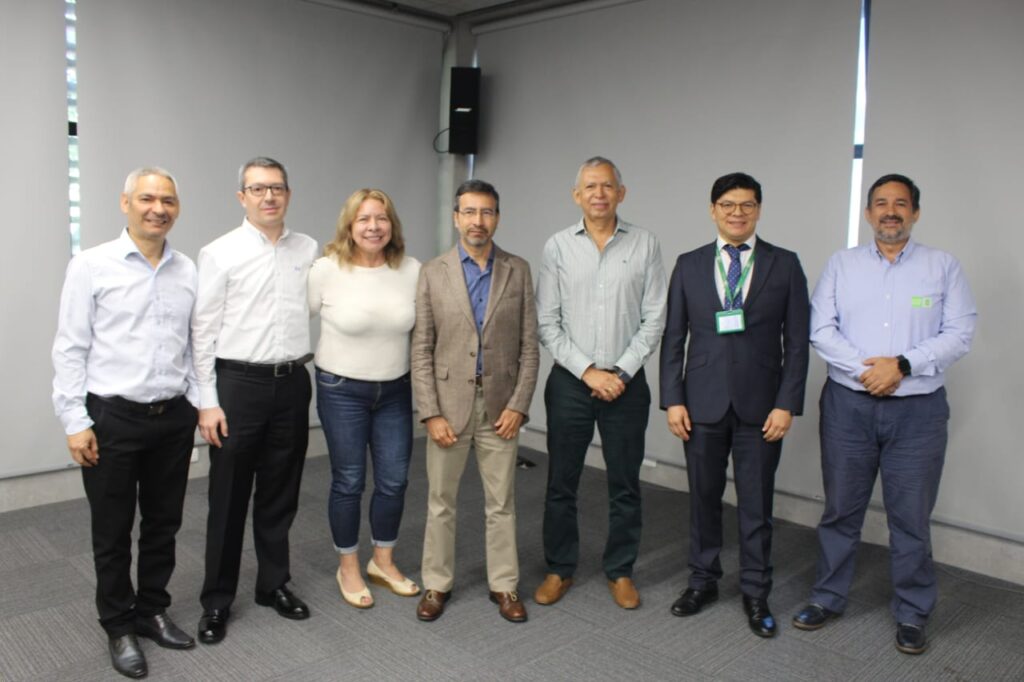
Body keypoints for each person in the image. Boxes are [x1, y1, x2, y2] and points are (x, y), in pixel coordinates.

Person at [792, 174, 976, 655]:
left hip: (918, 413)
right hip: (848, 407)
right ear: (868, 213)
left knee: (911, 518)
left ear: (915, 212)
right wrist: (869, 371)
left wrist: (903, 366)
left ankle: (913, 613)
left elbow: (960, 332)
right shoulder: (842, 265)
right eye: (880, 203)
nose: (890, 211)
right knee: (840, 511)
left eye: (900, 204)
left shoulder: (943, 267)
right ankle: (828, 598)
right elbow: (821, 328)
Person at [52, 167, 198, 678]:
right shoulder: (91, 265)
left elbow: (195, 347)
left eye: (168, 200)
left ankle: (152, 609)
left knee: (164, 523)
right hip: (112, 418)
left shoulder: (187, 269)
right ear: (125, 203)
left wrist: (199, 408)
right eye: (147, 198)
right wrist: (75, 420)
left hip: (172, 418)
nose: (158, 208)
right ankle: (118, 625)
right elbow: (70, 348)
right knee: (112, 530)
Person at [659, 172, 810, 637]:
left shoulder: (784, 264)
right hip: (700, 406)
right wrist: (672, 400)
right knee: (703, 500)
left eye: (747, 204)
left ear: (759, 209)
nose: (737, 212)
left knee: (756, 505)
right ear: (713, 210)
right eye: (728, 204)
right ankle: (702, 581)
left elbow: (799, 342)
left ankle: (755, 591)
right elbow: (674, 338)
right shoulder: (688, 264)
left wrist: (787, 404)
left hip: (762, 409)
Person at [192, 157, 318, 644]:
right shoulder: (219, 252)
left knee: (280, 494)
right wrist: (207, 400)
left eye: (277, 188)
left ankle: (273, 584)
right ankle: (217, 599)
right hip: (237, 388)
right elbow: (202, 330)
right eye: (258, 189)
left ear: (288, 194)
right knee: (227, 498)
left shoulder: (307, 249)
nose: (269, 197)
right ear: (241, 196)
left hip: (291, 384)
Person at [534, 156, 667, 610]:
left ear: (621, 193)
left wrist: (620, 372)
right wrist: (589, 372)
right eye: (590, 187)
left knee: (625, 483)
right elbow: (547, 323)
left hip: (627, 385)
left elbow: (654, 319)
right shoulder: (557, 247)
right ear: (577, 195)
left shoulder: (645, 244)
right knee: (561, 482)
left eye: (607, 186)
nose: (599, 194)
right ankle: (559, 567)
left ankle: (621, 570)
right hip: (571, 383)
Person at [411, 179, 539, 623]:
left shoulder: (517, 269)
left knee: (501, 503)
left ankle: (504, 585)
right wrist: (429, 412)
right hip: (448, 407)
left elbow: (529, 346)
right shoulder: (433, 272)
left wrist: (519, 405)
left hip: (501, 407)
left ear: (497, 217)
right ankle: (436, 584)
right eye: (469, 212)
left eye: (486, 212)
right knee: (441, 501)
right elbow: (422, 348)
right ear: (456, 217)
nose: (477, 221)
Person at [308, 188, 421, 609]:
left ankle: (383, 562)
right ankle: (349, 566)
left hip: (395, 391)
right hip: (342, 392)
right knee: (350, 482)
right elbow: (286, 319)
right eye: (364, 219)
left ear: (392, 226)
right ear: (349, 227)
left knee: (394, 481)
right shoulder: (326, 270)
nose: (373, 227)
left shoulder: (411, 270)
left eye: (382, 218)